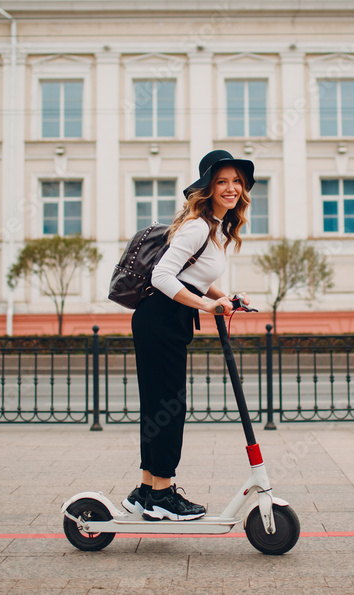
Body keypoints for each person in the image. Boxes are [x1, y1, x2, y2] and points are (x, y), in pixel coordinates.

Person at [122, 149, 255, 521]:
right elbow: (161, 276)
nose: (231, 188)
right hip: (162, 318)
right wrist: (204, 306)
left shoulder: (212, 228)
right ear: (208, 188)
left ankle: (146, 490)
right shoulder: (198, 226)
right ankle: (163, 496)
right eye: (222, 182)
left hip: (165, 320)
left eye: (236, 182)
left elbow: (192, 277)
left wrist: (223, 297)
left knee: (159, 405)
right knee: (168, 407)